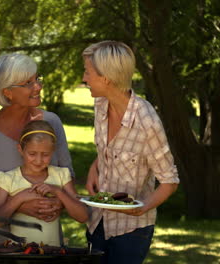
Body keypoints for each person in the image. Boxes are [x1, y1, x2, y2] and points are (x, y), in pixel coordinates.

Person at [82, 41, 180, 264]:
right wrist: (94, 167)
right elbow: (108, 148)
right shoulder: (99, 104)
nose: (84, 78)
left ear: (106, 78)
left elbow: (170, 181)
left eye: (87, 72)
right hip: (97, 221)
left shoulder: (147, 121)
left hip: (131, 232)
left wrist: (143, 208)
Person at [0, 53, 75, 242]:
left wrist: (58, 201)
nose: (38, 87)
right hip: (2, 246)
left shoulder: (52, 122)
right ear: (7, 92)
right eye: (28, 83)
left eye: (37, 79)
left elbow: (67, 175)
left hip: (49, 243)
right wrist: (20, 205)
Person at [0, 120, 88, 246]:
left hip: (52, 254)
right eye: (32, 154)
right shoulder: (8, 179)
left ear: (53, 150)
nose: (38, 160)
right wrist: (18, 199)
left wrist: (59, 192)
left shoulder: (61, 175)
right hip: (19, 255)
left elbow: (83, 216)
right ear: (20, 149)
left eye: (45, 154)